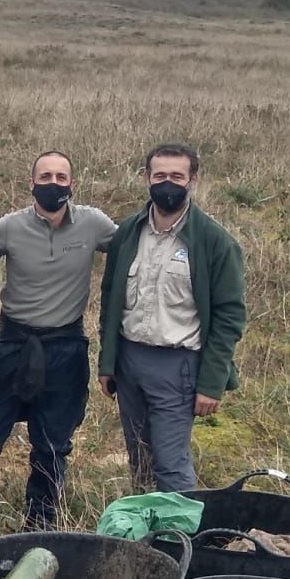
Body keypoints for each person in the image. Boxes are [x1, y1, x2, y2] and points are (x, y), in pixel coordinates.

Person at [0, 152, 118, 529]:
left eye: (60, 177)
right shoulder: (10, 226)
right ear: (31, 183)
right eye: (45, 176)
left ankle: (40, 518)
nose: (52, 183)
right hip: (11, 344)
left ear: (72, 184)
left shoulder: (93, 224)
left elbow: (135, 249)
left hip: (65, 347)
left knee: (53, 442)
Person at [98, 143, 247, 491]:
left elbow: (229, 316)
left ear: (192, 179)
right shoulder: (128, 233)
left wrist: (211, 383)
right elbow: (110, 298)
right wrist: (108, 363)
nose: (168, 183)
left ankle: (184, 540)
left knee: (170, 461)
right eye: (160, 175)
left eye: (177, 176)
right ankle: (147, 534)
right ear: (146, 177)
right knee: (140, 456)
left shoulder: (215, 242)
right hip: (129, 361)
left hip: (177, 367)